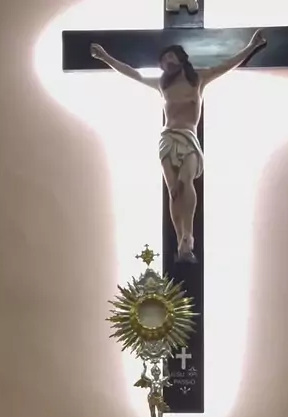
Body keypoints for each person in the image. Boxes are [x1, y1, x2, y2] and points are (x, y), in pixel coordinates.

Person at [91, 31, 267, 262]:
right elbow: (133, 73)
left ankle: (188, 236)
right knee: (174, 189)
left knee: (186, 180)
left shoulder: (199, 79)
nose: (166, 62)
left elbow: (227, 65)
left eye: (170, 57)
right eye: (163, 60)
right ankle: (180, 242)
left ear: (180, 58)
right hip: (168, 138)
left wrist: (252, 46)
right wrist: (106, 58)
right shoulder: (162, 85)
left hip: (189, 138)